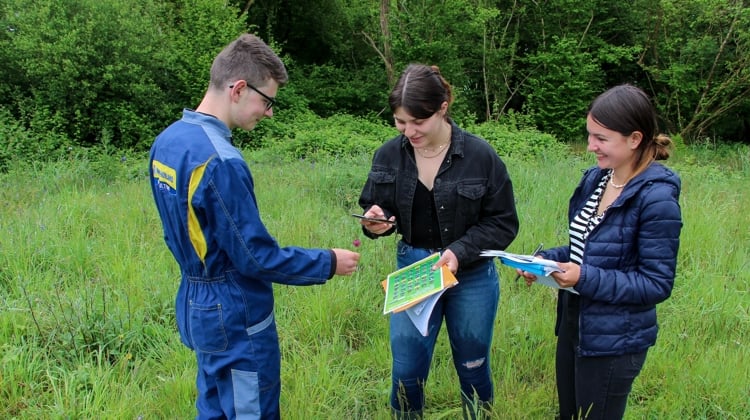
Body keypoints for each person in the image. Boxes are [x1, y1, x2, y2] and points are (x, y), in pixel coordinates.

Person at [148, 33, 360, 419]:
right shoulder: (222, 161)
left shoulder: (168, 142)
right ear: (239, 89)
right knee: (250, 410)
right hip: (235, 314)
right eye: (267, 100)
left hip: (196, 304)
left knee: (212, 405)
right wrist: (328, 262)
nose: (269, 112)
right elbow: (255, 258)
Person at [358, 64, 519, 419]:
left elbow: (504, 222)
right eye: (401, 122)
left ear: (443, 107)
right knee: (406, 367)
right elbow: (376, 206)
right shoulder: (388, 154)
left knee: (473, 363)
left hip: (471, 275)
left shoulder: (480, 156)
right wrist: (375, 222)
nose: (409, 131)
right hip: (414, 270)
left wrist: (459, 252)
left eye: (418, 121)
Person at [517, 84, 683, 419]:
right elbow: (586, 248)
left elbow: (655, 284)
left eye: (601, 138)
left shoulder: (657, 200)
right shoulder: (597, 179)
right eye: (590, 135)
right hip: (575, 323)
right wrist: (545, 260)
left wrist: (584, 277)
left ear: (634, 139)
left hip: (615, 341)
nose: (591, 145)